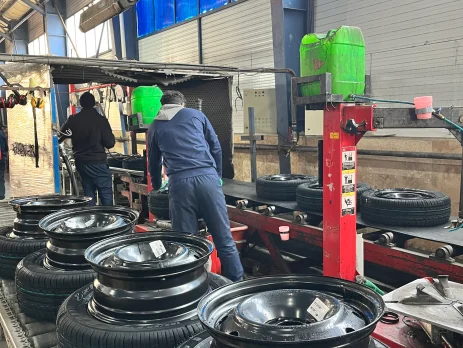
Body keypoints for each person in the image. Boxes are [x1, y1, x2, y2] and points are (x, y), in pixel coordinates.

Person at [148, 90, 244, 282]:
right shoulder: (196, 115)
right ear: (182, 103)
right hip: (207, 180)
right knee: (224, 239)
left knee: (186, 244)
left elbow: (154, 162)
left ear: (162, 105)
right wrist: (216, 176)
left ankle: (193, 288)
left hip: (179, 185)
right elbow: (215, 146)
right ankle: (236, 283)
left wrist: (158, 186)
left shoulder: (154, 126)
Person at [60, 92, 115, 206]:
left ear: (80, 104)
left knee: (88, 194)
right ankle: (109, 218)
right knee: (105, 192)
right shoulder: (101, 120)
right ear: (94, 104)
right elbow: (110, 143)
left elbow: (60, 136)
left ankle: (91, 219)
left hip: (81, 163)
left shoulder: (73, 120)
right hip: (98, 162)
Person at [0, 126, 8, 200]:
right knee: (1, 177)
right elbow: (6, 148)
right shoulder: (1, 134)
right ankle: (1, 194)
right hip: (1, 159)